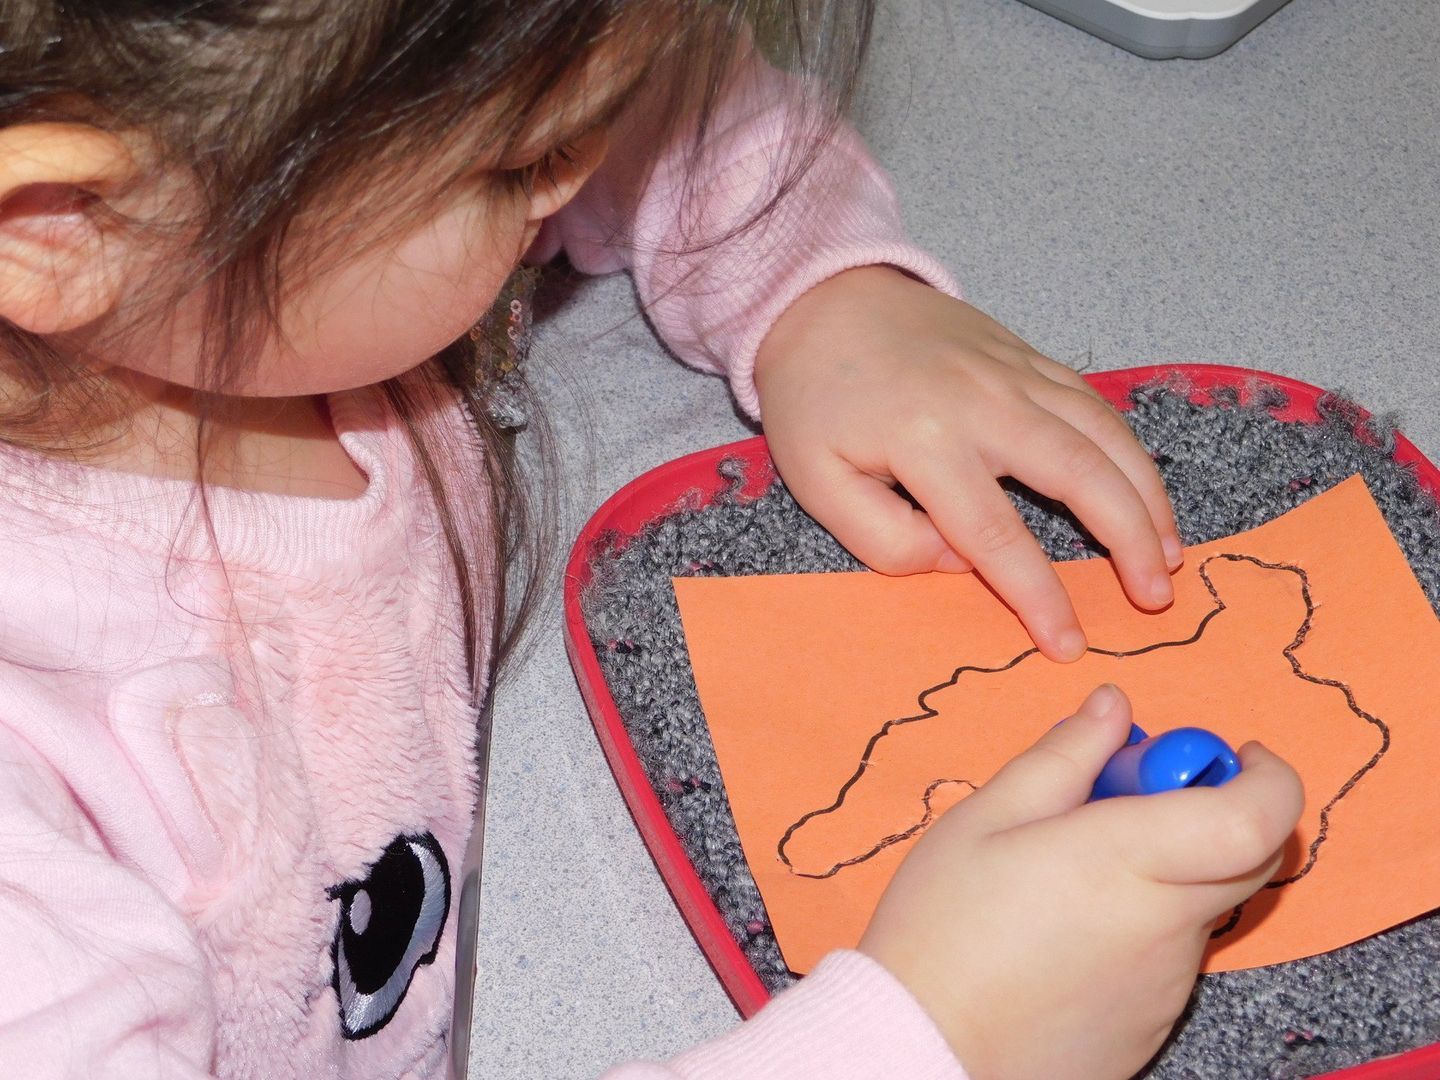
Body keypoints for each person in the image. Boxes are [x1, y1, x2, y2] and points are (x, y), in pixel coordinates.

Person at [0, 1, 1302, 1076]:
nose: (572, 168)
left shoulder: (218, 199)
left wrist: (825, 294)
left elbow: (612, 86)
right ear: (56, 225)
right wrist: (923, 1041)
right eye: (518, 167)